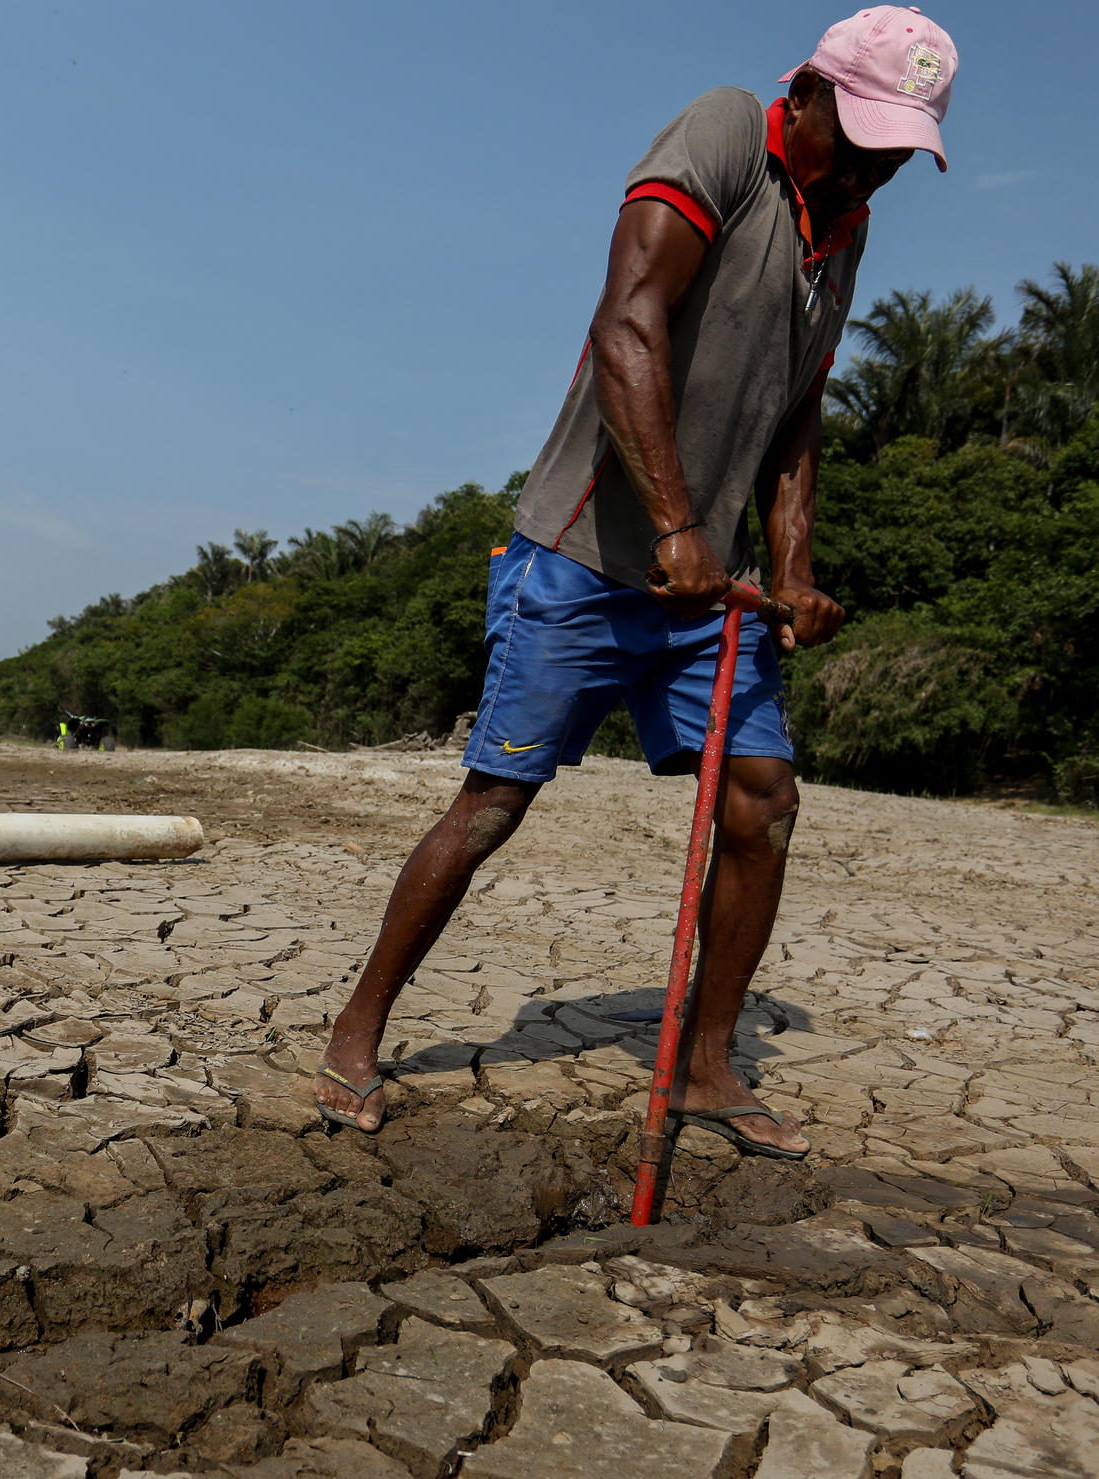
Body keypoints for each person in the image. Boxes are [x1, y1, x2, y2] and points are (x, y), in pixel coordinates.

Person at [313, 9, 960, 1158]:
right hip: (585, 561)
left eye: (894, 154)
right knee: (492, 806)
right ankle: (357, 1031)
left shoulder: (843, 230)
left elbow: (797, 412)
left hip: (713, 595)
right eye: (854, 137)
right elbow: (628, 322)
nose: (869, 167)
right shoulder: (721, 134)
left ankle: (706, 1066)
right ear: (804, 93)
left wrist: (793, 570)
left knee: (763, 802)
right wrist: (673, 523)